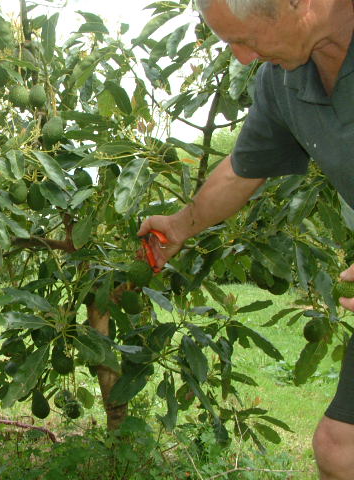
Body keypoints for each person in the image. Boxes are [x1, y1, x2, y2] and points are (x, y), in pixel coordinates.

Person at [138, 0, 354, 478]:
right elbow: (243, 167)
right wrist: (181, 224)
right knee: (341, 450)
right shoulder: (284, 81)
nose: (239, 56)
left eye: (246, 38)